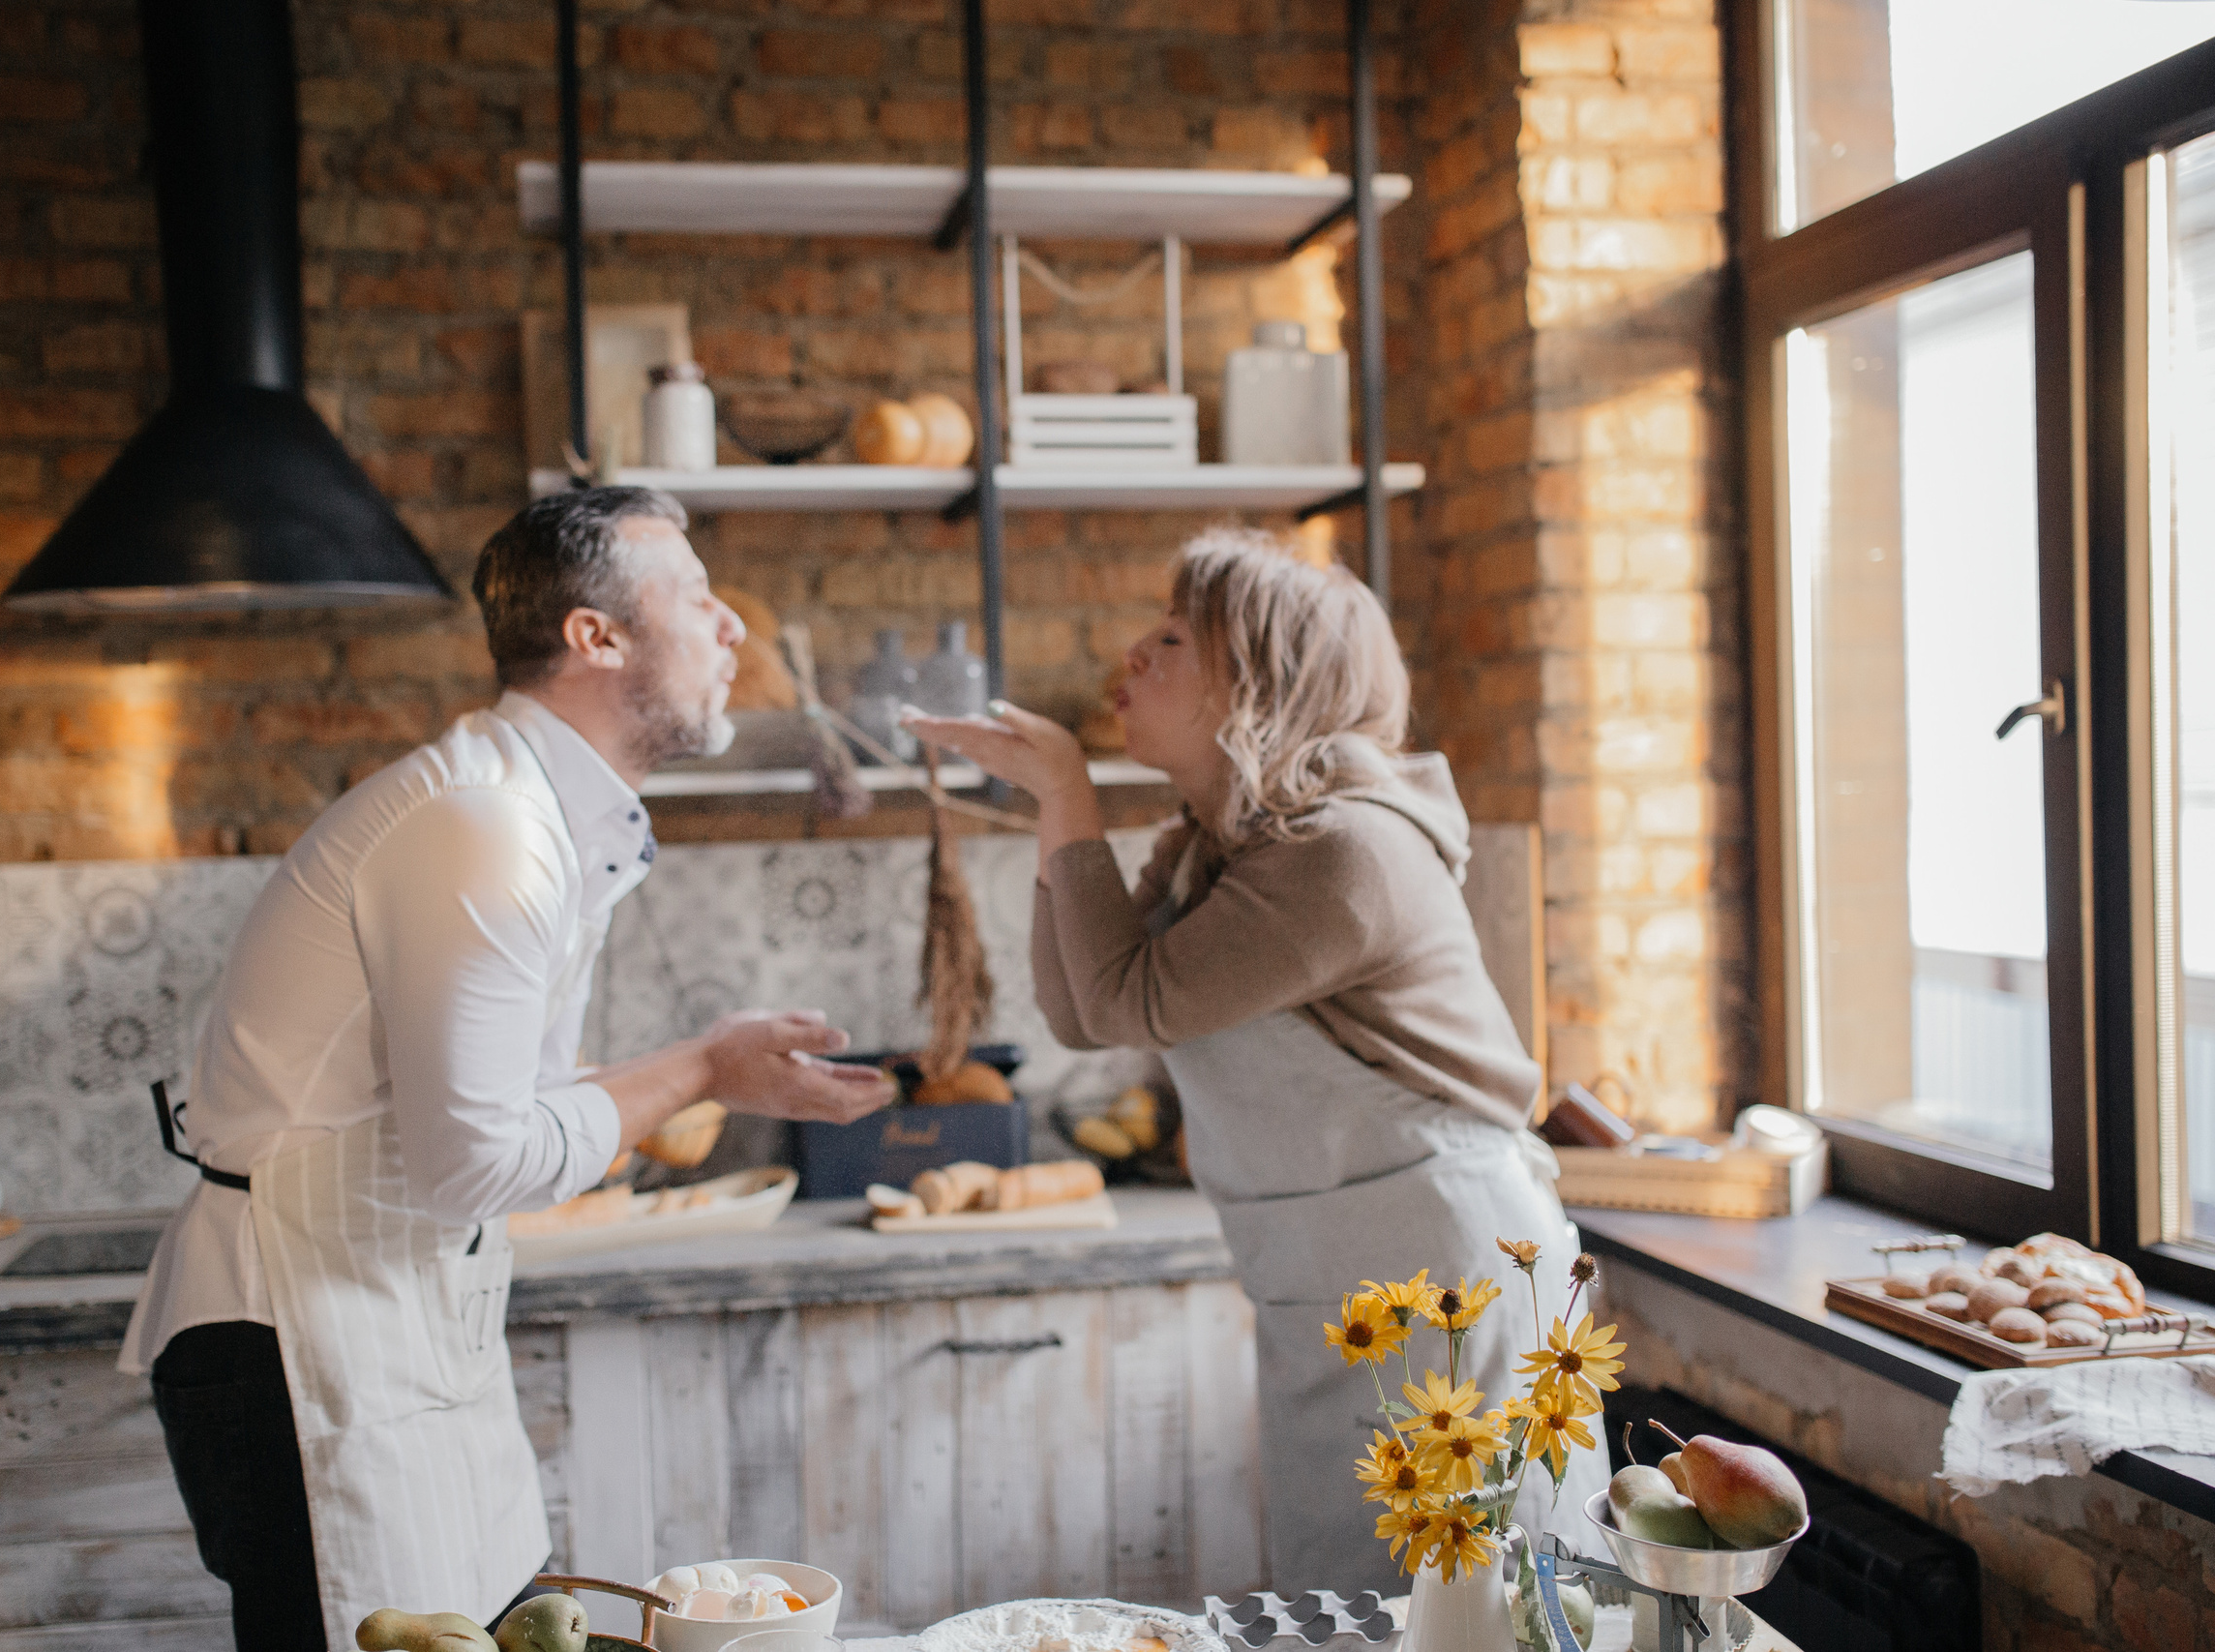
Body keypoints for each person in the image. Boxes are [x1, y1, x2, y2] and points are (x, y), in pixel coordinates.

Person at [117, 487, 893, 1652]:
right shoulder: (483, 823)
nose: (734, 626)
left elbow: (497, 1107)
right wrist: (698, 1070)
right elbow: (475, 1157)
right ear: (596, 636)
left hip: (388, 1321)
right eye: (696, 595)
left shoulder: (530, 814)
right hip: (298, 1339)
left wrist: (693, 1072)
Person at [903, 528, 1607, 1595]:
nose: (1134, 652)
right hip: (1336, 1288)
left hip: (1450, 1286)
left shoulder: (1346, 852)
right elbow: (1087, 1014)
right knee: (1351, 1604)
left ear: (1258, 684)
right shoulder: (1211, 849)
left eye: (1174, 637)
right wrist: (1060, 803)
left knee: (1481, 1616)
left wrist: (1068, 792)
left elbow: (1123, 998)